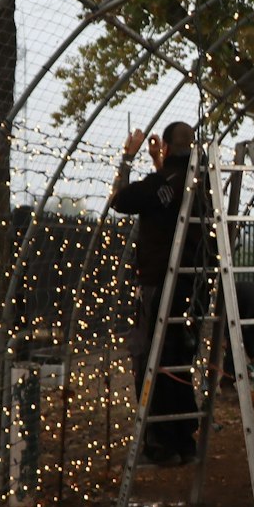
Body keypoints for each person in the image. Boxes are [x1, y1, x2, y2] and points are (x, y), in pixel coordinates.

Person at [109, 120, 207, 466]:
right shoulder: (199, 183)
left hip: (160, 284)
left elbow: (119, 200)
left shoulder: (160, 184)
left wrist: (128, 157)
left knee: (151, 361)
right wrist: (158, 165)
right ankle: (184, 440)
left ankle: (159, 443)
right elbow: (170, 194)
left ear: (166, 147)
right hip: (193, 287)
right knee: (179, 361)